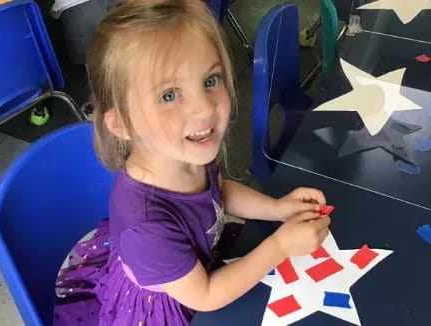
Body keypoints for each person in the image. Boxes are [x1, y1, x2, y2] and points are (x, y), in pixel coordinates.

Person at [54, 1, 331, 325]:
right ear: (122, 125)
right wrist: (281, 245)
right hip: (168, 308)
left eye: (210, 80)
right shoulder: (147, 227)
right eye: (169, 95)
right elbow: (206, 295)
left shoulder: (180, 154)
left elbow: (218, 191)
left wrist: (277, 208)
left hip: (195, 269)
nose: (204, 109)